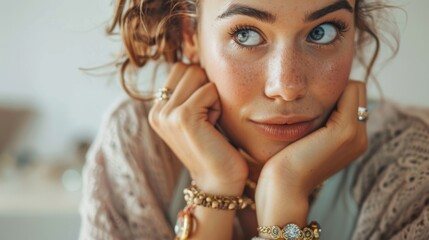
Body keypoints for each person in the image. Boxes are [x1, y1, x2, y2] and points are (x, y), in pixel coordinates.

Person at [78, 0, 429, 239]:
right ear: (190, 35)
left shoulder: (408, 165)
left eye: (322, 32)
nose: (287, 87)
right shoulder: (138, 145)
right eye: (245, 34)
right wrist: (214, 187)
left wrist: (287, 197)